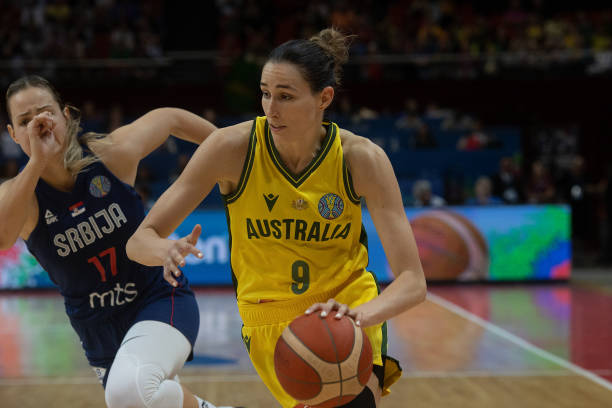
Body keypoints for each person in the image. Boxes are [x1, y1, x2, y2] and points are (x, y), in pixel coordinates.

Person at [127, 28, 427, 408]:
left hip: (344, 307)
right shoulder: (230, 148)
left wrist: (360, 315)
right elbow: (139, 241)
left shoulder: (360, 158)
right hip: (267, 321)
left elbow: (413, 281)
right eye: (266, 93)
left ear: (324, 98)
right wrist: (163, 249)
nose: (271, 107)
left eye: (285, 96)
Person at [0, 75, 239, 408]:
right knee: (140, 399)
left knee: (129, 392)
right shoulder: (20, 197)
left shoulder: (110, 155)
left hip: (158, 298)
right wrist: (38, 161)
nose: (37, 125)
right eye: (24, 121)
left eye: (44, 112)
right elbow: (2, 237)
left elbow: (170, 119)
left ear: (66, 116)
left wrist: (234, 151)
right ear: (13, 135)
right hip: (99, 332)